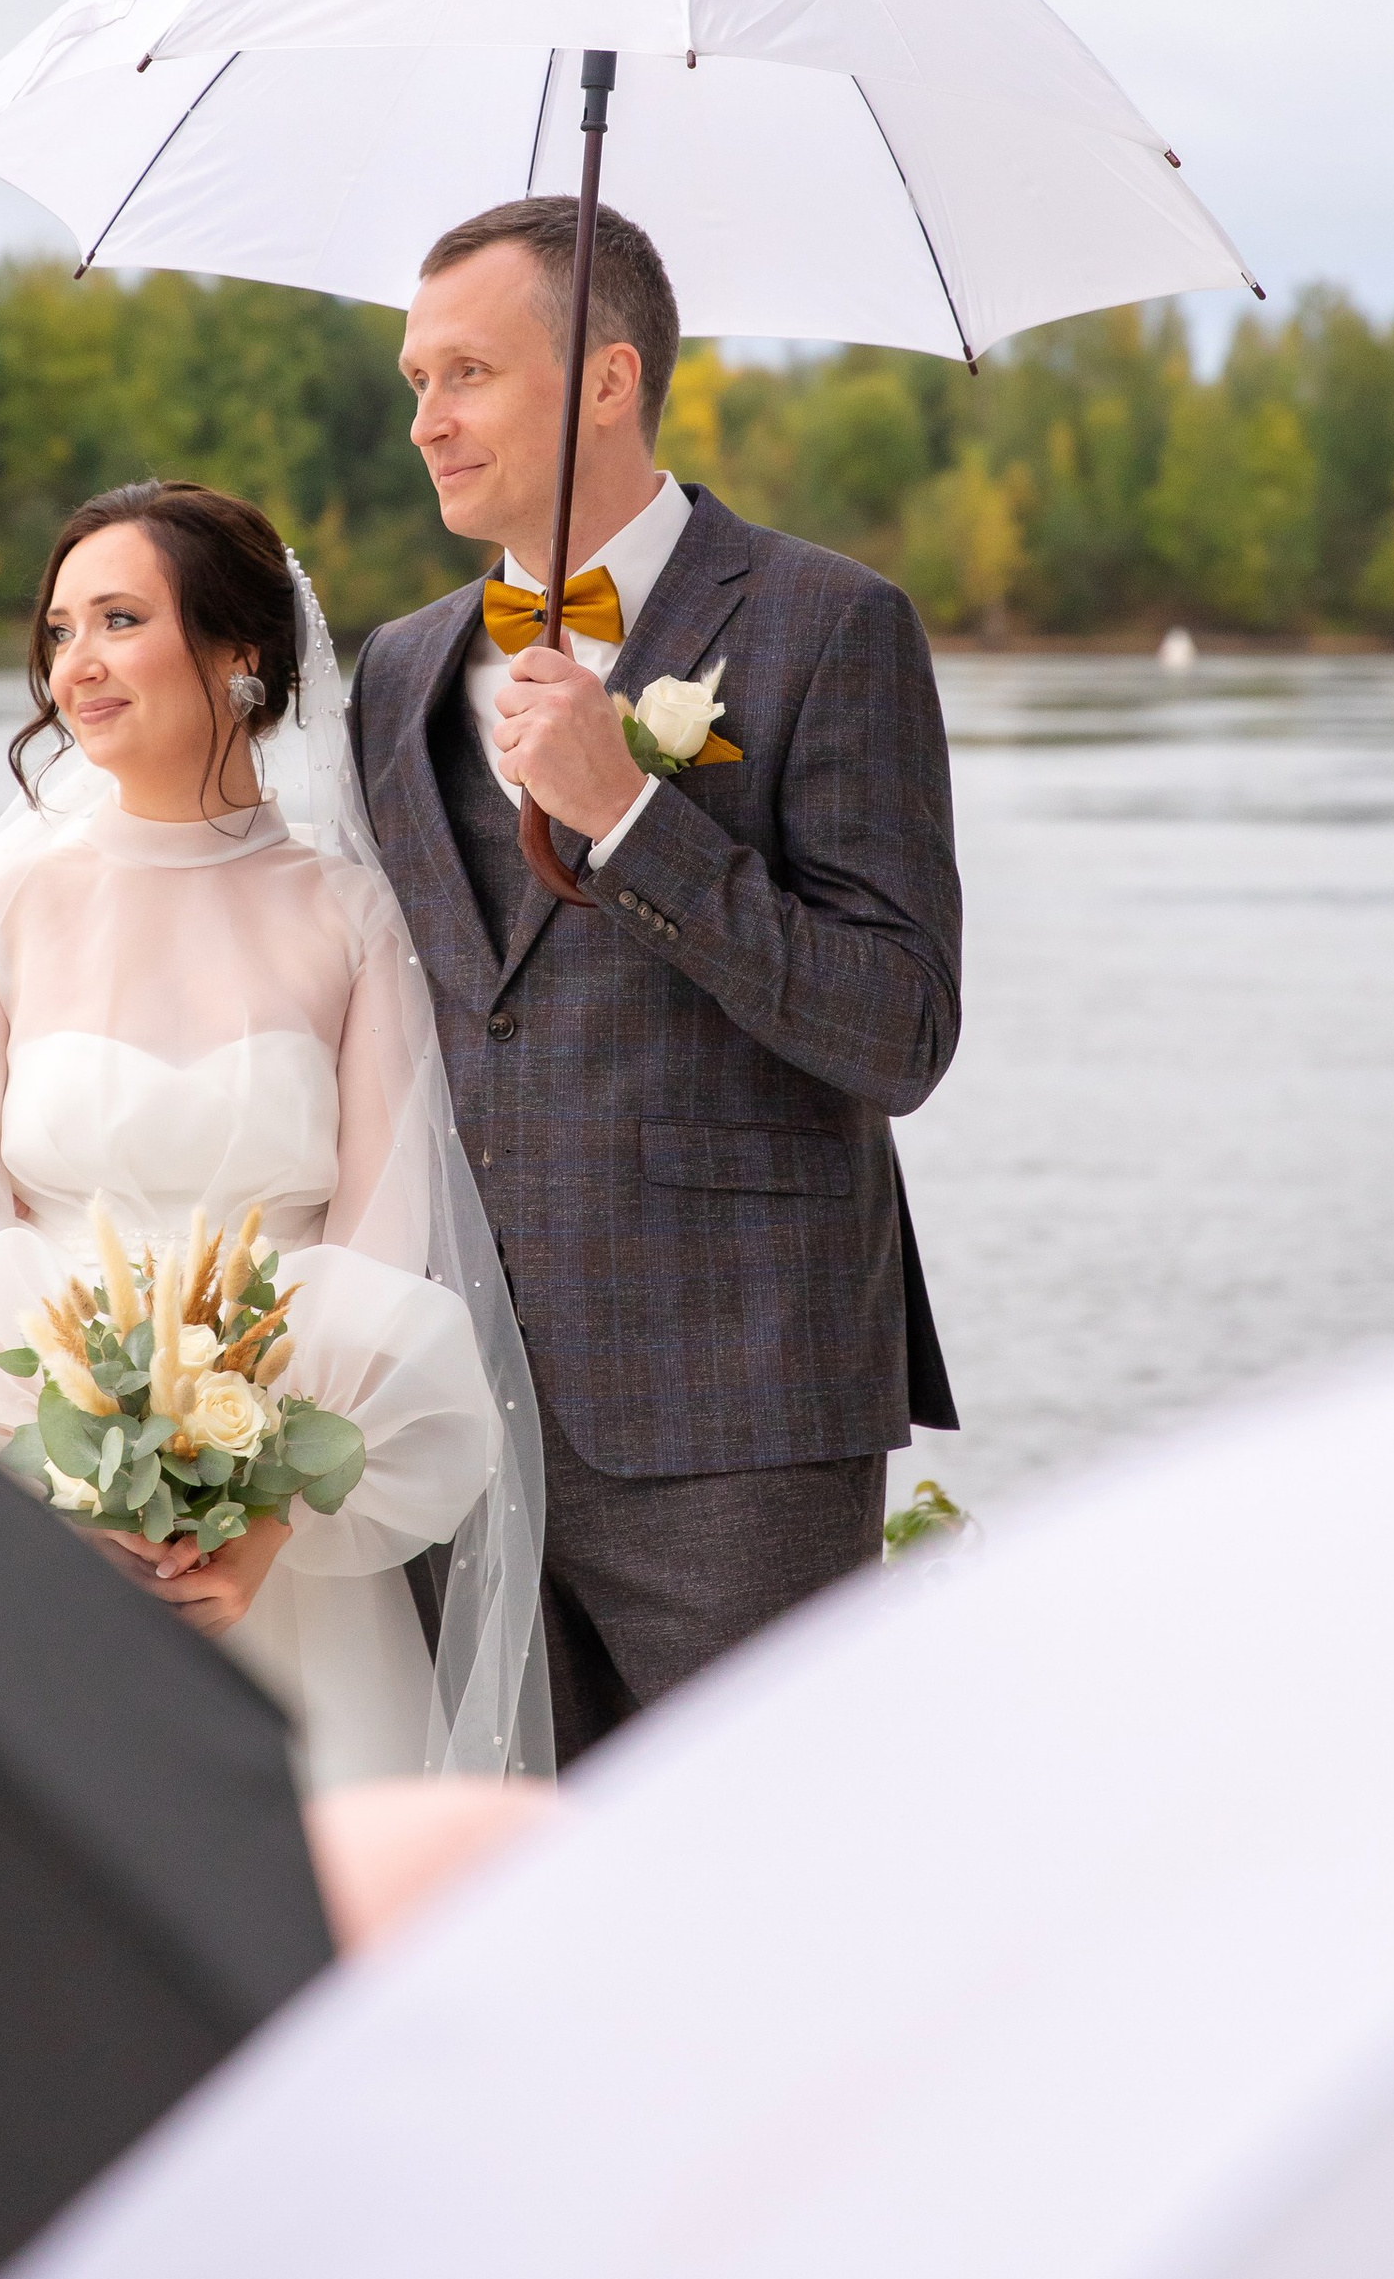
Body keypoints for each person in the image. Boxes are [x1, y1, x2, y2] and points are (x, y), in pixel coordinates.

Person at [0, 481, 546, 1792]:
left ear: (241, 653)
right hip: (52, 1516)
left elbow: (384, 1232)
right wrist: (70, 1489)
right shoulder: (13, 902)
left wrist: (256, 1518)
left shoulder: (349, 918)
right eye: (61, 630)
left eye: (120, 619)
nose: (77, 665)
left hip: (287, 1526)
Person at [350, 196, 961, 1763]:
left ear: (608, 381)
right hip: (454, 1420)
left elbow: (897, 1027)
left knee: (771, 1889)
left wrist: (628, 814)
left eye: (468, 374)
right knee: (518, 1909)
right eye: (417, 378)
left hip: (737, 1416)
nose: (426, 419)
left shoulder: (832, 626)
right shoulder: (401, 670)